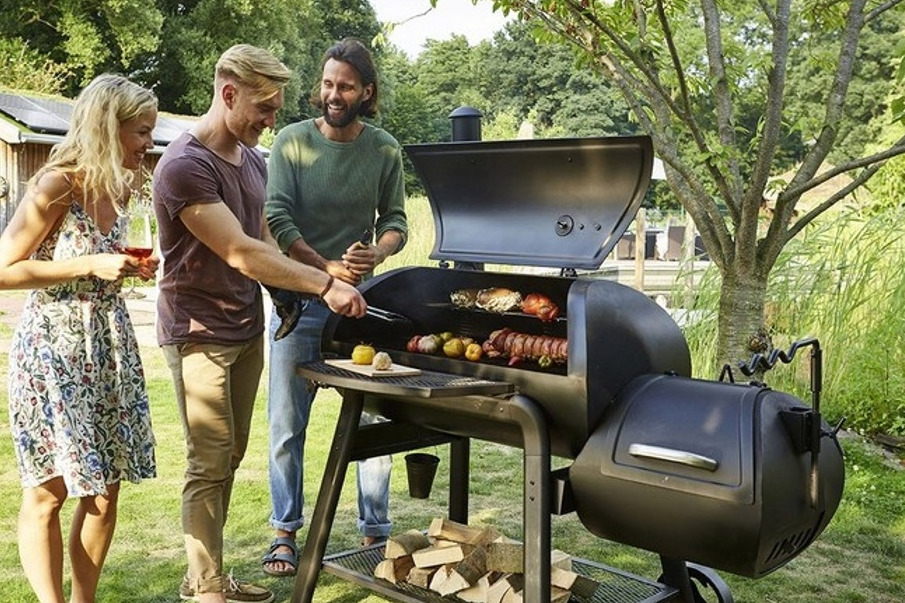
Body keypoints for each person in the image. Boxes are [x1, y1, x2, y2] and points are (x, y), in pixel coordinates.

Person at [152, 44, 367, 603]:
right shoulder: (184, 165)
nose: (273, 120)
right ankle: (206, 590)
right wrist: (325, 286)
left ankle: (208, 573)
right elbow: (241, 251)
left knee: (231, 455)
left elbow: (268, 238)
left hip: (245, 328)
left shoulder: (252, 162)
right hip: (198, 333)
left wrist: (316, 269)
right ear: (228, 94)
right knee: (208, 461)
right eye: (264, 108)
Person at [0, 73, 159, 603]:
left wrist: (128, 269)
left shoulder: (123, 186)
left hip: (108, 349)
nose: (147, 144)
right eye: (140, 132)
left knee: (105, 492)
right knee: (50, 490)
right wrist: (89, 263)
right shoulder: (55, 185)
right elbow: (5, 269)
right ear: (106, 127)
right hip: (54, 351)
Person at [261, 37, 407, 577]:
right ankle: (283, 532)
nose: (333, 94)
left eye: (345, 86)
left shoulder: (384, 149)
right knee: (285, 424)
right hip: (301, 304)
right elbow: (278, 220)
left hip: (359, 306)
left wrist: (377, 251)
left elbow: (396, 221)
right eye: (327, 83)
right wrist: (324, 269)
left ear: (366, 91)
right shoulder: (291, 142)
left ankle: (375, 532)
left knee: (371, 419)